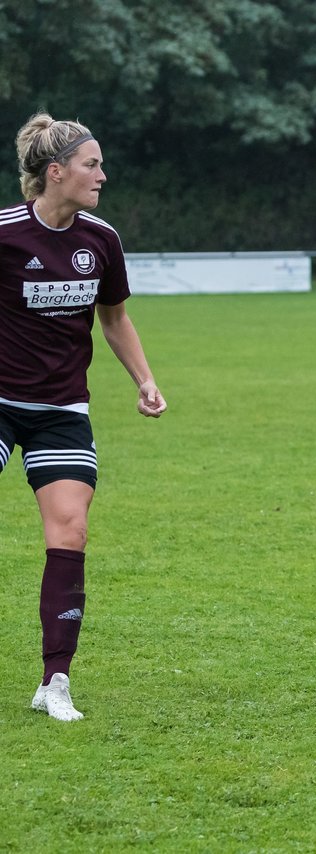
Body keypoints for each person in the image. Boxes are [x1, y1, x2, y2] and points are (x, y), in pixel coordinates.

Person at [1, 112, 167, 721]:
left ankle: (55, 681)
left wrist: (145, 380)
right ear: (56, 172)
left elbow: (115, 318)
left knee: (70, 531)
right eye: (92, 165)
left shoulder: (101, 240)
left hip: (61, 410)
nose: (102, 174)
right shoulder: (5, 233)